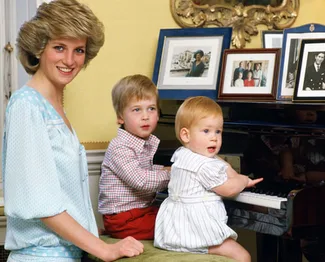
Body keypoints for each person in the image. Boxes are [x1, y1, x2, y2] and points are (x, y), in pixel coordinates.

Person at [2, 1, 144, 261]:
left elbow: (62, 193)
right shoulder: (26, 105)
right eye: (59, 47)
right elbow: (40, 203)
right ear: (39, 48)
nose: (69, 60)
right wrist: (103, 248)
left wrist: (90, 232)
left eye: (78, 50)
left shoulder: (54, 107)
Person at [154, 96, 263, 262]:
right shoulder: (204, 166)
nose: (214, 137)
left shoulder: (183, 154)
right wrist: (243, 181)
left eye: (218, 131)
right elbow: (228, 190)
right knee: (243, 256)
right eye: (206, 131)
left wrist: (234, 174)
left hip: (176, 230)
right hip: (197, 232)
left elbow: (219, 162)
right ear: (186, 135)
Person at [98, 74, 171, 240]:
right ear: (120, 117)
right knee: (176, 222)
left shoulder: (141, 142)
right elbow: (141, 180)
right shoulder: (119, 147)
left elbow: (144, 169)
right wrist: (173, 174)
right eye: (137, 109)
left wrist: (164, 169)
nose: (145, 116)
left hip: (138, 212)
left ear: (158, 114)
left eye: (151, 108)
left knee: (177, 211)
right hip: (123, 219)